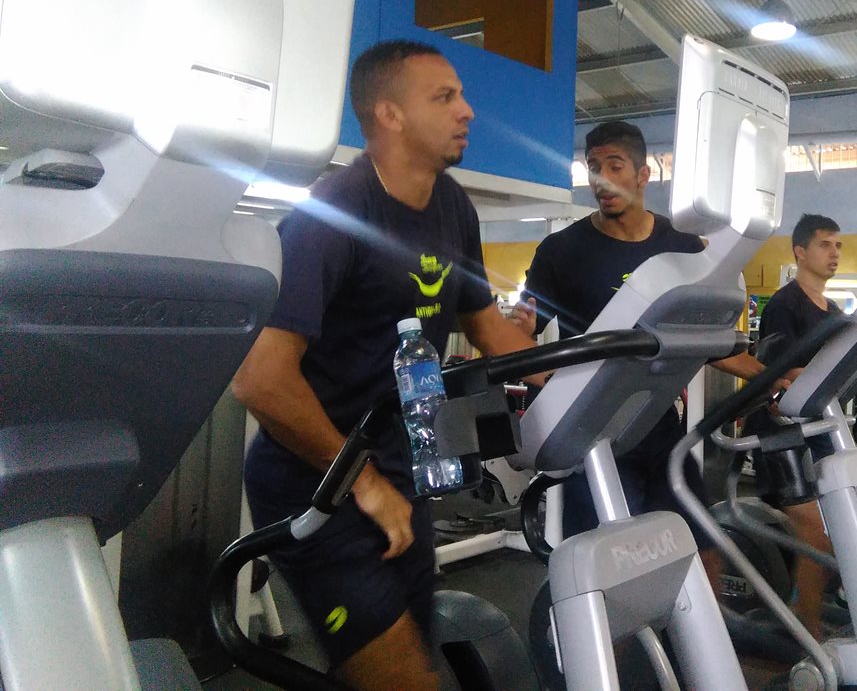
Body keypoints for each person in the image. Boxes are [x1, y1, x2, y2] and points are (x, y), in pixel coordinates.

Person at [233, 40, 539, 691]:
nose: (469, 111)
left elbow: (487, 329)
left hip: (402, 474)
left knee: (408, 657)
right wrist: (363, 482)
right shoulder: (337, 210)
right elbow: (259, 376)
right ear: (390, 115)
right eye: (445, 97)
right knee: (401, 676)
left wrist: (593, 372)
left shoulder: (453, 206)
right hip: (318, 482)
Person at [509, 119, 782, 588]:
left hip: (657, 423)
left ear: (643, 174)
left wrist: (768, 378)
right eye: (593, 167)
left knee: (702, 550)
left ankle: (699, 658)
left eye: (614, 166)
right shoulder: (561, 251)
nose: (601, 180)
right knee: (607, 571)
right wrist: (550, 382)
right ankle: (602, 658)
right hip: (590, 431)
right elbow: (520, 337)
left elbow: (702, 340)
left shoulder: (681, 246)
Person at [744, 213, 846, 639]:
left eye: (838, 245)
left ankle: (807, 600)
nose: (834, 253)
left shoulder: (836, 309)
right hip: (779, 431)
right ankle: (806, 626)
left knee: (850, 520)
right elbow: (781, 371)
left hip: (818, 427)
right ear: (800, 251)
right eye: (825, 245)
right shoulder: (786, 304)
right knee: (814, 531)